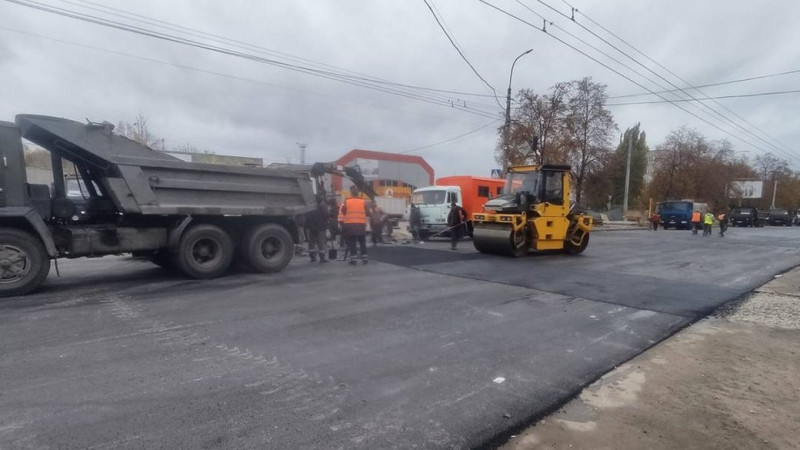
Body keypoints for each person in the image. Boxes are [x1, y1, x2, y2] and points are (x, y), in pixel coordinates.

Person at [341, 186, 368, 265]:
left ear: (351, 193)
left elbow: (343, 211)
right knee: (362, 242)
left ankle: (353, 259)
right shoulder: (363, 202)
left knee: (352, 242)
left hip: (350, 225)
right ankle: (365, 258)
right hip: (361, 225)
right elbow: (367, 212)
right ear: (358, 193)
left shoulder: (347, 201)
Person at [305, 196, 329, 263]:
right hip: (320, 227)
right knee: (321, 243)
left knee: (311, 242)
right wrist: (326, 224)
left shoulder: (310, 207)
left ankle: (312, 257)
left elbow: (307, 217)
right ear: (320, 202)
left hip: (311, 227)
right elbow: (326, 216)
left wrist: (307, 226)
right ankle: (322, 258)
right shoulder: (322, 207)